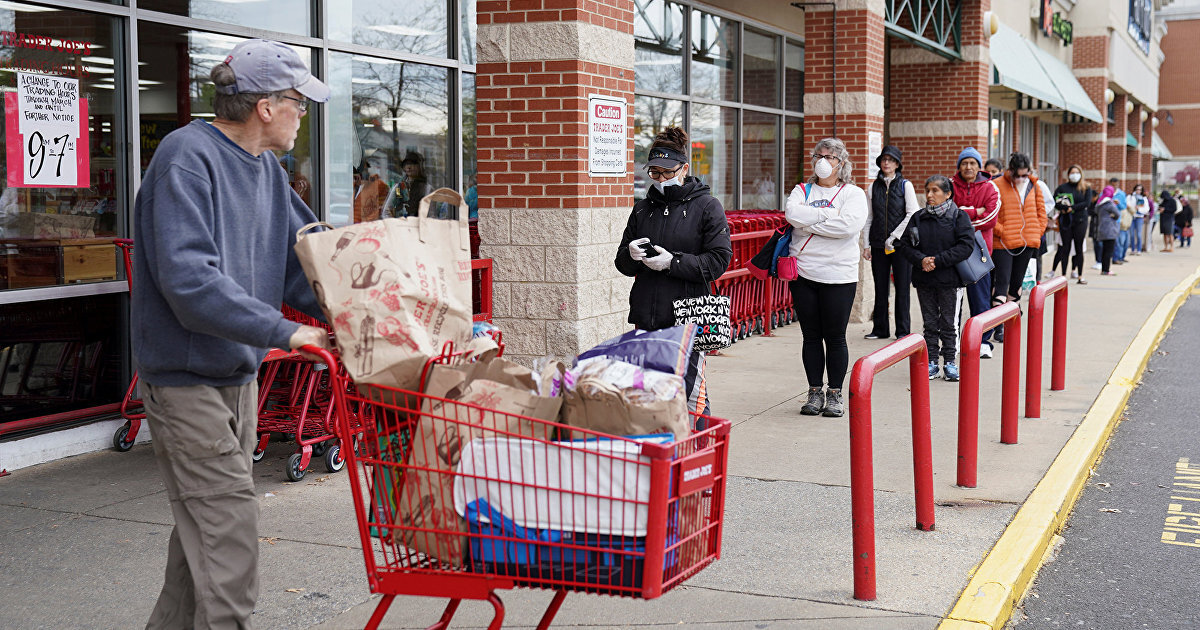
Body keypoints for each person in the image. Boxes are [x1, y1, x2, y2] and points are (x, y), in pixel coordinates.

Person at [131, 39, 331, 629]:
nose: (303, 114)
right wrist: (288, 333)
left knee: (203, 542)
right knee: (230, 535)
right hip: (185, 379)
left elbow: (308, 264)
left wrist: (374, 306)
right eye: (299, 101)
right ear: (266, 106)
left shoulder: (266, 171)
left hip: (237, 376)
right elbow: (190, 282)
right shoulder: (186, 156)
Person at [615, 126, 731, 416]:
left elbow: (719, 261)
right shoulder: (643, 208)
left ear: (684, 168)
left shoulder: (707, 206)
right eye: (654, 173)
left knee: (689, 397)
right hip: (647, 315)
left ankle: (697, 453)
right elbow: (622, 263)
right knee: (651, 396)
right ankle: (663, 455)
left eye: (667, 172)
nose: (661, 179)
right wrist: (631, 255)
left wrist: (673, 262)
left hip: (688, 318)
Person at [784, 138, 869, 418]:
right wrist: (828, 217)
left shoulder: (853, 194)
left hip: (839, 275)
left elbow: (849, 226)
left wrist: (810, 223)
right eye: (819, 155)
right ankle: (814, 392)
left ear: (841, 162)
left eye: (831, 157)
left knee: (835, 337)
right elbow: (792, 214)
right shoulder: (801, 190)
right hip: (804, 273)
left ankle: (834, 394)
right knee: (810, 336)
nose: (824, 161)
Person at [893, 175, 975, 382]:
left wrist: (937, 261)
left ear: (947, 194)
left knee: (948, 323)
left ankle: (949, 362)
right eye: (927, 190)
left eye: (935, 191)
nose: (929, 195)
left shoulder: (959, 217)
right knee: (930, 324)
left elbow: (965, 246)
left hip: (950, 281)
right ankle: (931, 362)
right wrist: (921, 260)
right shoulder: (918, 217)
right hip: (924, 280)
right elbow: (904, 245)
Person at [861, 145, 918, 340]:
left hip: (901, 246)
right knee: (880, 288)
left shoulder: (905, 185)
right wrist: (866, 244)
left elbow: (912, 213)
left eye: (891, 160)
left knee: (902, 288)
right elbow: (869, 218)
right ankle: (880, 329)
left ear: (897, 164)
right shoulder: (872, 187)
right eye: (884, 159)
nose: (887, 163)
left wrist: (894, 236)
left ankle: (902, 331)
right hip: (878, 245)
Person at [949, 147, 1000, 358]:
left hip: (980, 253)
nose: (968, 167)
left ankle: (983, 341)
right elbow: (946, 214)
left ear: (979, 166)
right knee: (952, 301)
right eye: (964, 163)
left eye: (972, 163)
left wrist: (962, 214)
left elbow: (991, 219)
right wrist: (974, 211)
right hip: (952, 251)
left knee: (980, 300)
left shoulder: (990, 188)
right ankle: (953, 342)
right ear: (959, 166)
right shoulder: (949, 186)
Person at [991, 153, 1046, 313]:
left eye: (1025, 174)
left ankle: (1011, 320)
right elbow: (990, 213)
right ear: (1010, 171)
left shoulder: (1034, 186)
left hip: (1027, 241)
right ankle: (999, 323)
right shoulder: (997, 184)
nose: (1021, 179)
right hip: (1003, 243)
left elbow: (1041, 212)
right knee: (1001, 283)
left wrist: (1037, 232)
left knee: (1016, 284)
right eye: (1018, 175)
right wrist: (1002, 231)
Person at [1052, 165, 1095, 285]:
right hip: (1066, 220)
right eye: (1072, 172)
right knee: (1065, 248)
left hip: (1080, 220)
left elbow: (1086, 203)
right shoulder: (1062, 187)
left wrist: (1073, 208)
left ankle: (1080, 275)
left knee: (1078, 248)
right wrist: (1064, 208)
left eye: (1077, 172)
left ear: (1081, 174)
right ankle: (1063, 276)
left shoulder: (1086, 188)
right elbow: (1055, 201)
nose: (1074, 175)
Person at [1094, 185, 1121, 275]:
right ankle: (1106, 270)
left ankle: (1104, 269)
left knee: (1104, 250)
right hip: (1110, 230)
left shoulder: (1099, 203)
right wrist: (1113, 215)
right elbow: (1117, 214)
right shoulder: (1109, 204)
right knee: (1109, 251)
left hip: (1102, 229)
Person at [1109, 178, 1130, 265]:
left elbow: (1123, 207)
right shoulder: (1106, 192)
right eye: (1113, 185)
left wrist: (1118, 203)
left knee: (1117, 241)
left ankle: (1116, 258)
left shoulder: (1121, 194)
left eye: (1116, 185)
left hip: (1116, 220)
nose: (1114, 187)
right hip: (1107, 219)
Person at [1129, 183, 1149, 255]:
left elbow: (1146, 209)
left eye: (1140, 190)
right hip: (1132, 216)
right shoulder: (1131, 197)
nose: (1138, 191)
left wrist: (1139, 209)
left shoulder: (1143, 198)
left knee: (1138, 234)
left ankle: (1139, 249)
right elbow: (1127, 204)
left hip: (1139, 217)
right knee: (1131, 234)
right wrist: (1133, 208)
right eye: (1137, 189)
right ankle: (1133, 249)